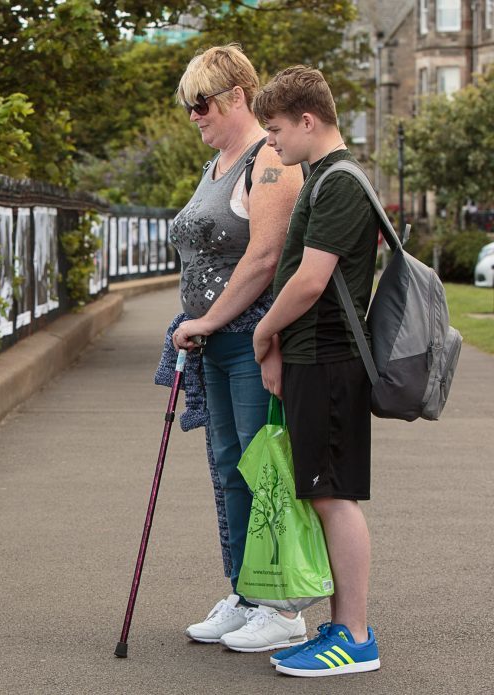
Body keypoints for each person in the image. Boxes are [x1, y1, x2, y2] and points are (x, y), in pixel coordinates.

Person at [165, 44, 306, 652]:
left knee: (262, 469)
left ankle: (281, 606)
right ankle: (246, 593)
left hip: (252, 339)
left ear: (235, 97)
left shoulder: (270, 160)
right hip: (213, 343)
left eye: (201, 103)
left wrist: (208, 320)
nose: (194, 115)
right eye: (189, 106)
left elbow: (265, 258)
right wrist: (199, 325)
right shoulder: (217, 162)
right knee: (228, 470)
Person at [251, 65, 381, 676]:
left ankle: (354, 637)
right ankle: (340, 624)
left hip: (329, 357)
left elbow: (310, 278)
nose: (271, 143)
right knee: (323, 490)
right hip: (313, 356)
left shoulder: (340, 183)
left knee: (335, 495)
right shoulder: (323, 178)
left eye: (275, 130)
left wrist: (263, 329)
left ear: (308, 121)